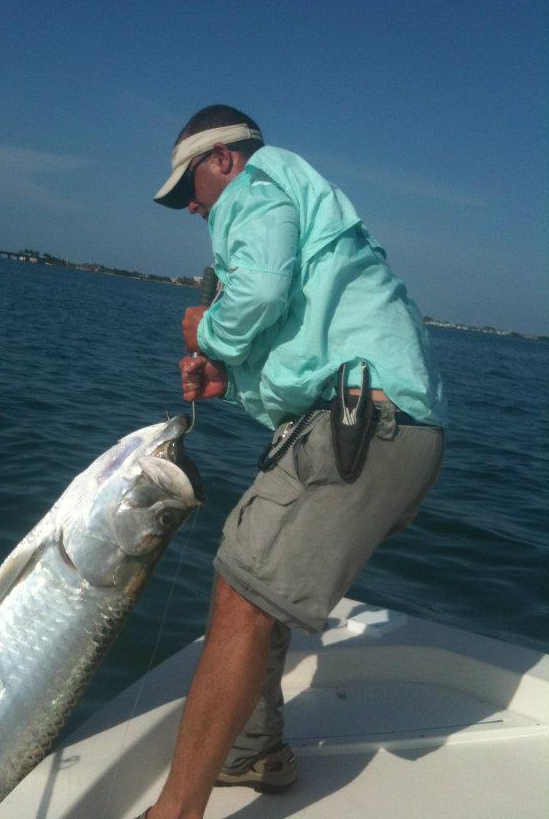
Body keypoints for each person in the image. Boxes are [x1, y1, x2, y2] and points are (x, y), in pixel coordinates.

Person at [137, 105, 446, 819]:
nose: (191, 207)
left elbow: (263, 290)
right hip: (379, 421)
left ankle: (173, 813)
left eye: (190, 187)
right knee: (256, 589)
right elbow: (300, 335)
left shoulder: (259, 183)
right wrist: (226, 376)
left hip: (369, 418)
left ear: (224, 160)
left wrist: (205, 330)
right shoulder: (298, 198)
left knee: (241, 597)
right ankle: (250, 751)